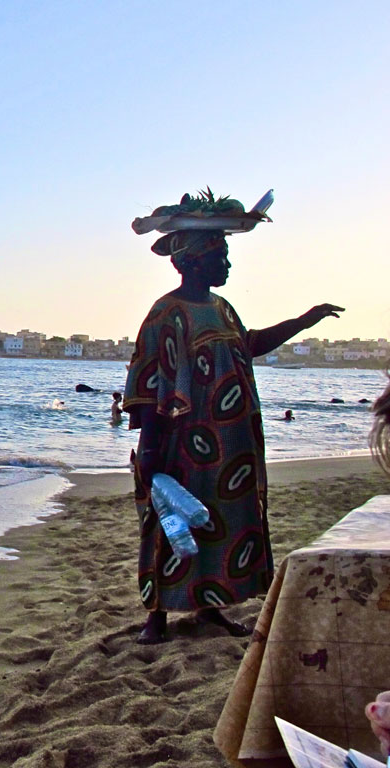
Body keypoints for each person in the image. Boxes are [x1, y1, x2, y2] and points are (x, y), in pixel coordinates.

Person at [123, 224, 342, 645]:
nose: (226, 263)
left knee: (221, 519)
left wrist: (303, 320)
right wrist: (149, 445)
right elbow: (148, 378)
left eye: (225, 254)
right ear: (191, 261)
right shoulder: (166, 313)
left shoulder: (222, 308)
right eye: (218, 255)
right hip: (179, 440)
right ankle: (157, 615)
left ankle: (211, 606)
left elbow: (249, 343)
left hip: (229, 442)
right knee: (170, 520)